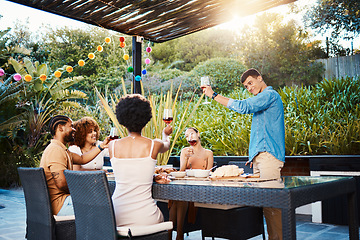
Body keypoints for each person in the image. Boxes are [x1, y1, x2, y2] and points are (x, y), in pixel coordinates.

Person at [201, 68, 285, 240]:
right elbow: (261, 132)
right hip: (261, 158)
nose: (249, 87)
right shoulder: (261, 100)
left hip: (269, 157)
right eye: (246, 86)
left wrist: (213, 95)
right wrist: (254, 156)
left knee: (272, 206)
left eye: (251, 83)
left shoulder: (270, 95)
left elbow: (244, 106)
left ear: (260, 78)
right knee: (266, 206)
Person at [109, 94, 172, 228]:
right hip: (145, 218)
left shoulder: (112, 146)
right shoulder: (154, 145)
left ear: (122, 118)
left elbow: (129, 171)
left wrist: (153, 176)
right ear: (146, 118)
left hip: (115, 215)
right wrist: (165, 135)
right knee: (167, 215)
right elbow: (166, 145)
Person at [39, 115, 110, 216]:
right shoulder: (55, 150)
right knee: (102, 211)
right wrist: (85, 187)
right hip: (60, 204)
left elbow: (82, 159)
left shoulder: (62, 149)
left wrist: (101, 146)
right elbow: (62, 184)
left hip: (65, 200)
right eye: (71, 126)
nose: (74, 130)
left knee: (101, 203)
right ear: (60, 128)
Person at [169, 127, 213, 240]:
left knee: (180, 196)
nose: (190, 138)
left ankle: (175, 235)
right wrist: (186, 158)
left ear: (198, 134)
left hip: (200, 188)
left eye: (192, 134)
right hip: (186, 187)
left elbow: (209, 174)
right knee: (179, 196)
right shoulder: (185, 151)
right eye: (187, 136)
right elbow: (181, 171)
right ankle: (176, 235)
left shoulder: (208, 153)